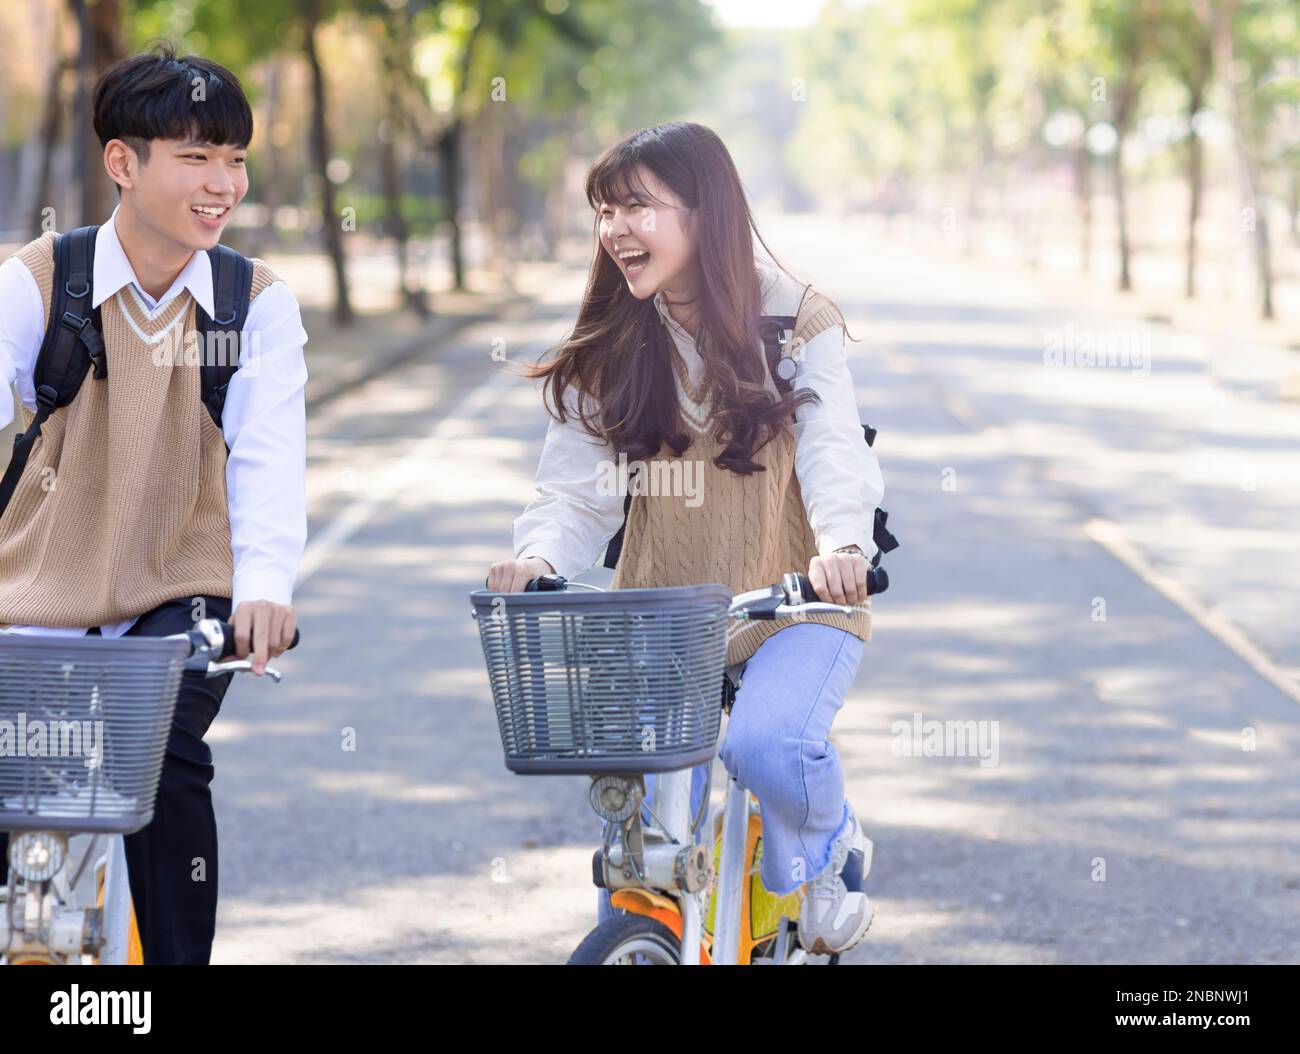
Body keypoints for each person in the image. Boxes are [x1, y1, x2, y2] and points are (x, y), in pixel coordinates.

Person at [485, 122, 884, 955]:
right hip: (663, 615)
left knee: (769, 744)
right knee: (637, 843)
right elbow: (574, 490)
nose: (614, 230)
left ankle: (829, 846)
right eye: (604, 211)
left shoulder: (792, 318)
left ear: (704, 213)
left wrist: (844, 545)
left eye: (636, 207)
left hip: (795, 605)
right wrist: (538, 559)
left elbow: (833, 449)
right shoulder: (617, 339)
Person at [0, 43, 308, 964]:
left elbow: (268, 458)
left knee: (162, 762)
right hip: (35, 585)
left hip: (184, 592)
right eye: (195, 157)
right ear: (123, 163)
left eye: (236, 159)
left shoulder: (252, 304)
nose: (223, 184)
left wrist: (264, 586)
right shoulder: (41, 284)